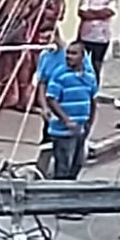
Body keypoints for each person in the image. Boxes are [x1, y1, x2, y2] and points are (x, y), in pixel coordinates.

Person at [35, 30, 96, 177]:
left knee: (77, 163)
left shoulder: (89, 77)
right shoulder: (59, 74)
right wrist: (65, 120)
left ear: (83, 57)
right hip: (62, 128)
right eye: (68, 53)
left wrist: (89, 122)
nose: (69, 57)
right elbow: (50, 96)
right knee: (62, 165)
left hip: (80, 127)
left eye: (74, 54)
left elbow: (92, 99)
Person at [14, 0, 65, 111]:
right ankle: (25, 100)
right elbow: (27, 13)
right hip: (33, 32)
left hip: (48, 33)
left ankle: (40, 99)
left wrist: (49, 13)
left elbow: (60, 15)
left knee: (44, 68)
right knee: (29, 67)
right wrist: (38, 10)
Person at [77, 0, 116, 79]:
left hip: (101, 38)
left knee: (96, 64)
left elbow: (108, 12)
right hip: (85, 37)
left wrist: (91, 13)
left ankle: (94, 86)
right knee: (83, 63)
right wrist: (99, 14)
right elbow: (82, 13)